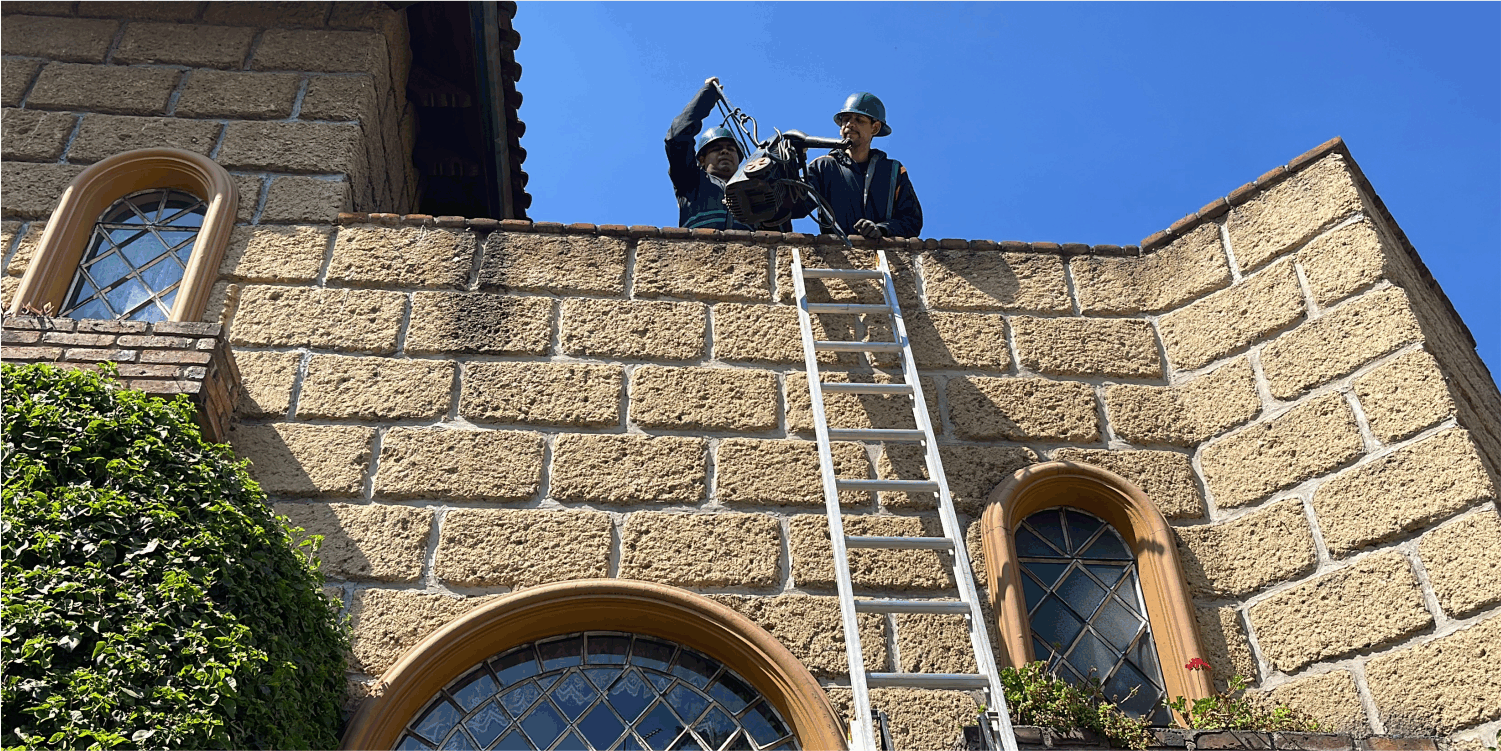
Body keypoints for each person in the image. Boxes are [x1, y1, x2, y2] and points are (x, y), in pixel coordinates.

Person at [805, 92, 923, 240]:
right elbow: (795, 206)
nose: (850, 124)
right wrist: (782, 173)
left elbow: (911, 221)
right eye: (846, 119)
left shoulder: (893, 171)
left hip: (882, 252)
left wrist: (882, 229)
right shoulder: (823, 167)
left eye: (859, 120)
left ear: (875, 128)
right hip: (838, 251)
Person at [665, 77, 755, 231]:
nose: (725, 151)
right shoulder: (691, 182)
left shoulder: (754, 190)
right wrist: (707, 95)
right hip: (699, 246)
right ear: (702, 159)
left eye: (731, 149)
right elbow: (677, 138)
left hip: (748, 246)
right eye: (716, 149)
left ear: (739, 159)